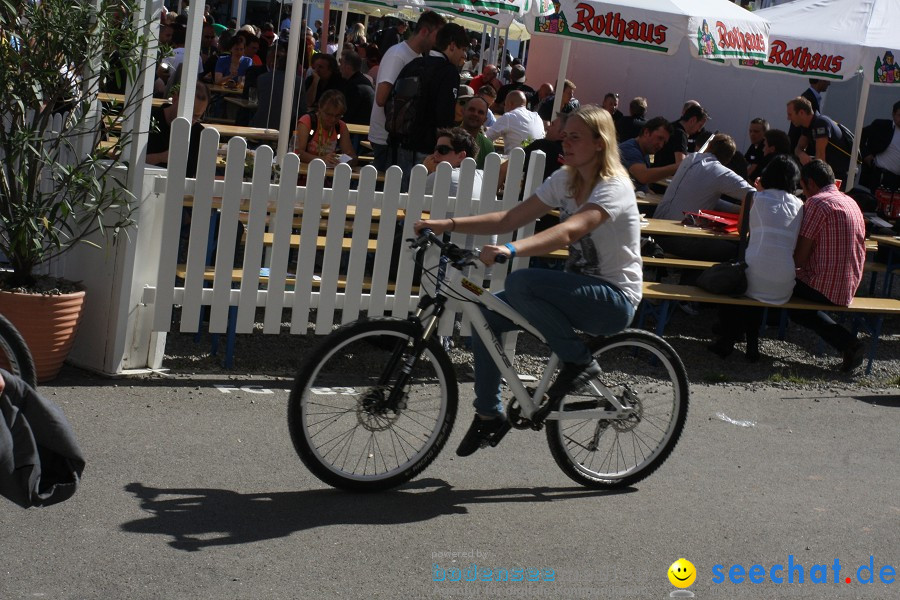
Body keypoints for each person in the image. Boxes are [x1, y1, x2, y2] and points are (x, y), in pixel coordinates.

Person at [414, 106, 642, 456]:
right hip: (575, 293)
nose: (565, 142)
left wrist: (510, 248)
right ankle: (488, 413)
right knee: (486, 317)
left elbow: (572, 230)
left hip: (613, 300)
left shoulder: (615, 186)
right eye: (564, 134)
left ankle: (579, 362)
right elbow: (509, 217)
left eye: (575, 136)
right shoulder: (565, 180)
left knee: (522, 282)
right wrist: (447, 225)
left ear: (600, 143)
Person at [708, 155, 804, 361]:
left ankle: (729, 339)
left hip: (754, 275)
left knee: (740, 279)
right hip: (786, 281)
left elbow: (743, 230)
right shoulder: (799, 204)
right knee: (757, 282)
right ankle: (750, 345)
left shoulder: (753, 197)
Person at [790, 159, 866, 372]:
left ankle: (848, 343)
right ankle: (848, 344)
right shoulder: (851, 202)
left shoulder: (816, 203)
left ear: (811, 183)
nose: (803, 193)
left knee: (776, 287)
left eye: (803, 188)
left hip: (824, 286)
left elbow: (799, 260)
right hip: (850, 284)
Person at [654, 134, 755, 261]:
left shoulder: (690, 159)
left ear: (709, 147)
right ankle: (695, 279)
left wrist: (736, 209)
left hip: (658, 230)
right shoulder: (720, 172)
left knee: (707, 240)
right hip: (677, 237)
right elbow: (754, 195)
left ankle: (690, 277)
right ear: (728, 160)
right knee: (736, 249)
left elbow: (702, 197)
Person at [368, 11, 446, 172]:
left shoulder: (413, 56)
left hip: (395, 138)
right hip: (386, 138)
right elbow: (381, 98)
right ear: (424, 31)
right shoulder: (398, 55)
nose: (439, 42)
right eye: (437, 36)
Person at [396, 22, 469, 191]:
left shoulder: (413, 64)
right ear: (451, 46)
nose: (463, 55)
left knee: (400, 201)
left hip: (402, 144)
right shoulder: (449, 72)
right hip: (429, 150)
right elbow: (444, 116)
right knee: (421, 200)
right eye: (462, 49)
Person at [145, 82, 210, 178]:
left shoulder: (199, 133)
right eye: (187, 112)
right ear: (175, 99)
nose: (190, 120)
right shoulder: (147, 121)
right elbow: (126, 161)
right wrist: (160, 157)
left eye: (197, 116)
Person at [786, 97, 851, 186]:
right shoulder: (807, 126)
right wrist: (801, 154)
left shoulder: (821, 123)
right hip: (828, 172)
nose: (788, 118)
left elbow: (820, 157)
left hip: (839, 173)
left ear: (801, 112)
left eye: (790, 115)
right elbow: (798, 148)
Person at [293, 89, 357, 167]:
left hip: (328, 175)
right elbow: (298, 153)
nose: (333, 119)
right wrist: (321, 159)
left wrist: (346, 161)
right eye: (328, 115)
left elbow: (352, 156)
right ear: (320, 108)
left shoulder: (340, 126)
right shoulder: (307, 121)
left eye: (338, 116)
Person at [250, 42, 305, 130]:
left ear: (278, 64)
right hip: (287, 127)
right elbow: (302, 108)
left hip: (260, 123)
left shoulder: (262, 78)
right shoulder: (298, 81)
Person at [617, 117, 677, 194]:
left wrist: (648, 191)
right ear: (646, 132)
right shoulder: (629, 149)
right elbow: (644, 176)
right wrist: (677, 167)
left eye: (664, 142)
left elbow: (640, 183)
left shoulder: (646, 152)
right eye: (659, 138)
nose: (661, 145)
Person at [423, 127, 484, 199]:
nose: (435, 154)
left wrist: (426, 172)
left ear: (461, 156)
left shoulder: (439, 177)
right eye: (435, 149)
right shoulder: (481, 177)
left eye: (442, 150)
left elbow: (412, 203)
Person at [859, 100, 900, 191]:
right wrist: (866, 155)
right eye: (899, 115)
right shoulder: (882, 126)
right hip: (880, 176)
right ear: (893, 114)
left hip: (897, 182)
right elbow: (859, 136)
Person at [339, 49, 374, 126]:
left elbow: (347, 115)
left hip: (357, 132)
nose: (339, 67)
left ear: (348, 67)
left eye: (341, 63)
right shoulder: (361, 80)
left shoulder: (355, 87)